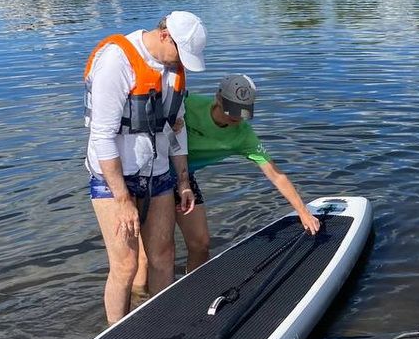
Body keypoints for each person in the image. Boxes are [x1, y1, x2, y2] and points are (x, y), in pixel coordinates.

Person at [134, 74, 320, 288]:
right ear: (218, 98)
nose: (236, 117)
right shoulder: (189, 105)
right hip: (152, 175)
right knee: (147, 257)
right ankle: (138, 303)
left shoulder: (243, 135)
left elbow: (276, 174)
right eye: (230, 109)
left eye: (242, 112)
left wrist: (303, 212)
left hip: (184, 180)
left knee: (201, 244)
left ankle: (191, 291)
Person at [83, 11, 206, 324]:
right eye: (180, 53)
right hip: (112, 181)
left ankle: (161, 326)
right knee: (125, 265)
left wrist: (183, 181)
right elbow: (102, 136)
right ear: (165, 35)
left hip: (159, 175)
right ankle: (115, 335)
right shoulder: (118, 60)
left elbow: (176, 129)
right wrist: (123, 200)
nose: (180, 62)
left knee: (164, 256)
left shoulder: (175, 70)